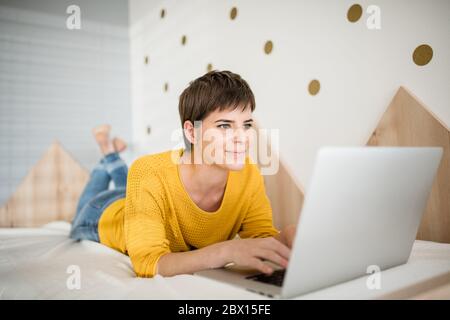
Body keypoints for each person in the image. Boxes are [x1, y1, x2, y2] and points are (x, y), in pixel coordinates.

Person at [70, 70, 297, 278]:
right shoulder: (147, 171)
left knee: (131, 187)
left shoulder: (249, 173)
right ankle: (108, 155)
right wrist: (225, 251)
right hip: (103, 213)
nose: (242, 137)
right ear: (191, 132)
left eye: (246, 125)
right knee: (86, 207)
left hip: (143, 200)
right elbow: (148, 263)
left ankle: (110, 154)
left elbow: (259, 238)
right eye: (225, 126)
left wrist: (284, 239)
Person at [69, 125, 128, 242]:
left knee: (128, 191)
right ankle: (109, 152)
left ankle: (109, 152)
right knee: (127, 194)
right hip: (91, 221)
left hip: (109, 206)